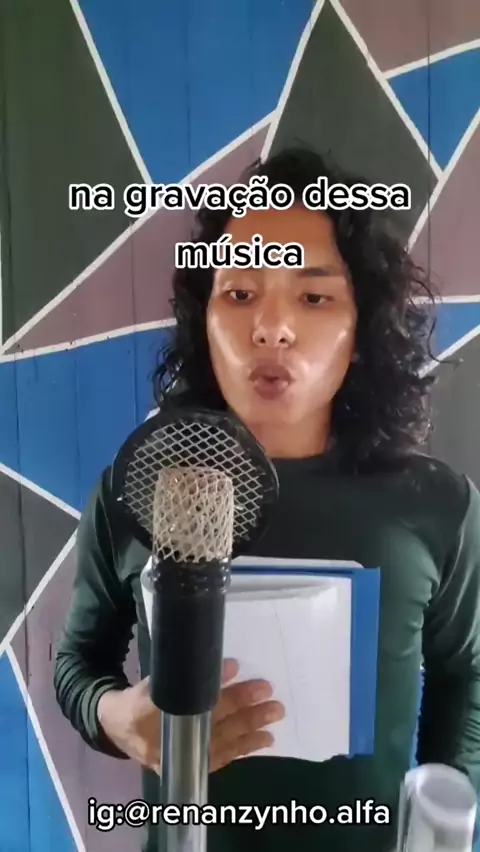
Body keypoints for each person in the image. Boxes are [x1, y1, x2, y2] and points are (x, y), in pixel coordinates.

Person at [54, 148, 480, 852]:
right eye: (240, 293)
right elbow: (78, 661)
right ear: (204, 318)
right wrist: (115, 718)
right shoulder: (137, 491)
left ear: (361, 327)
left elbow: (467, 675)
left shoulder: (437, 507)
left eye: (313, 298)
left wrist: (440, 820)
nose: (271, 328)